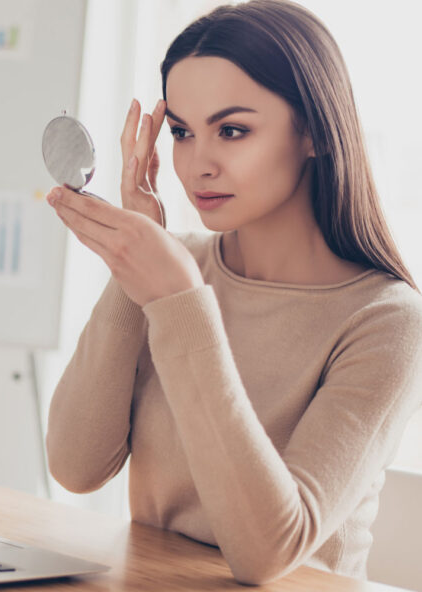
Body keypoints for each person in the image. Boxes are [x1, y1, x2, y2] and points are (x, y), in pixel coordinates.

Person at [44, 0, 422, 585]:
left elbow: (266, 555)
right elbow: (76, 466)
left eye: (232, 130)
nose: (198, 164)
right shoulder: (173, 264)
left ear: (315, 133)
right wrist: (135, 266)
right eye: (181, 133)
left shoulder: (386, 320)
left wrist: (177, 301)